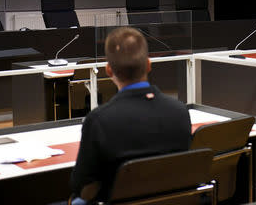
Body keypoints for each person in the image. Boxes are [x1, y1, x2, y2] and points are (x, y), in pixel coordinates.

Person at [69, 27, 191, 204]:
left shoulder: (98, 120)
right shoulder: (180, 111)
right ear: (149, 65)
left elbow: (80, 185)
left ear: (109, 71)